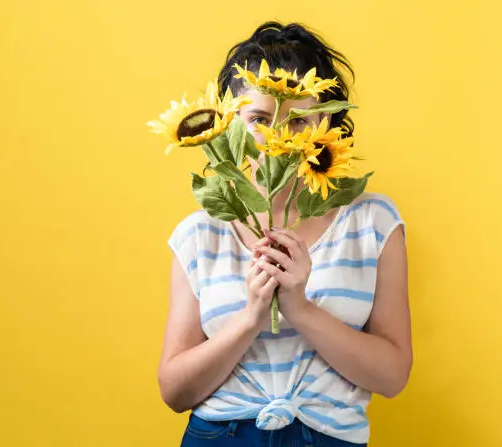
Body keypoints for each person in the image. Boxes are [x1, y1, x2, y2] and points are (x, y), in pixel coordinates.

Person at [158, 21, 412, 447]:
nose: (277, 136)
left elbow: (392, 378)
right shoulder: (200, 234)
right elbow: (174, 391)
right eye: (259, 118)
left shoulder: (372, 222)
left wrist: (300, 308)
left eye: (297, 121)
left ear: (325, 126)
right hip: (221, 436)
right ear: (228, 124)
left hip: (330, 437)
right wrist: (251, 317)